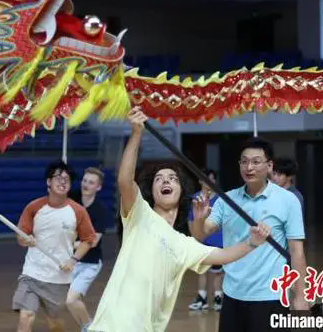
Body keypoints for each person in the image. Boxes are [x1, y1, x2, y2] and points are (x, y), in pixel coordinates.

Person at [86, 107, 271, 332]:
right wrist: (136, 134)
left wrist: (252, 242)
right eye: (159, 178)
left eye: (172, 178)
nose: (166, 180)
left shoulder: (183, 244)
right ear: (151, 190)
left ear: (181, 191)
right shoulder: (139, 215)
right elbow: (125, 181)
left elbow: (223, 255)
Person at [190, 137, 308, 332]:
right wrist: (199, 219)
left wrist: (301, 296)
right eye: (244, 161)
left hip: (271, 297)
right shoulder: (226, 200)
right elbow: (199, 236)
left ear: (269, 165)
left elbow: (297, 252)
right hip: (232, 296)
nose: (249, 167)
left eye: (255, 161)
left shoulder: (288, 201)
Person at [13, 160, 97, 332]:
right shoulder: (34, 207)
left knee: (55, 324)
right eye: (58, 177)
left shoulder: (78, 211)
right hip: (32, 273)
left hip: (59, 278)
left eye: (67, 179)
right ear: (48, 182)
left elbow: (89, 239)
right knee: (25, 316)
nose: (63, 181)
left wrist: (73, 260)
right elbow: (20, 237)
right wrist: (26, 239)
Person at [66, 167, 110, 327]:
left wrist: (69, 243)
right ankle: (86, 327)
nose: (86, 185)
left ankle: (90, 327)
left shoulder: (100, 212)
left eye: (91, 183)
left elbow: (93, 241)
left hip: (89, 264)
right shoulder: (71, 199)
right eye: (84, 181)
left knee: (71, 300)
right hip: (70, 261)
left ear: (98, 187)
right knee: (66, 301)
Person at [187, 169, 224, 311]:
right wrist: (194, 237)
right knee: (201, 270)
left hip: (218, 241)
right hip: (201, 242)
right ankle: (201, 299)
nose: (209, 182)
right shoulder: (196, 198)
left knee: (218, 272)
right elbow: (191, 219)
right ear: (200, 181)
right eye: (205, 179)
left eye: (212, 179)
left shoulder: (221, 199)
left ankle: (218, 298)